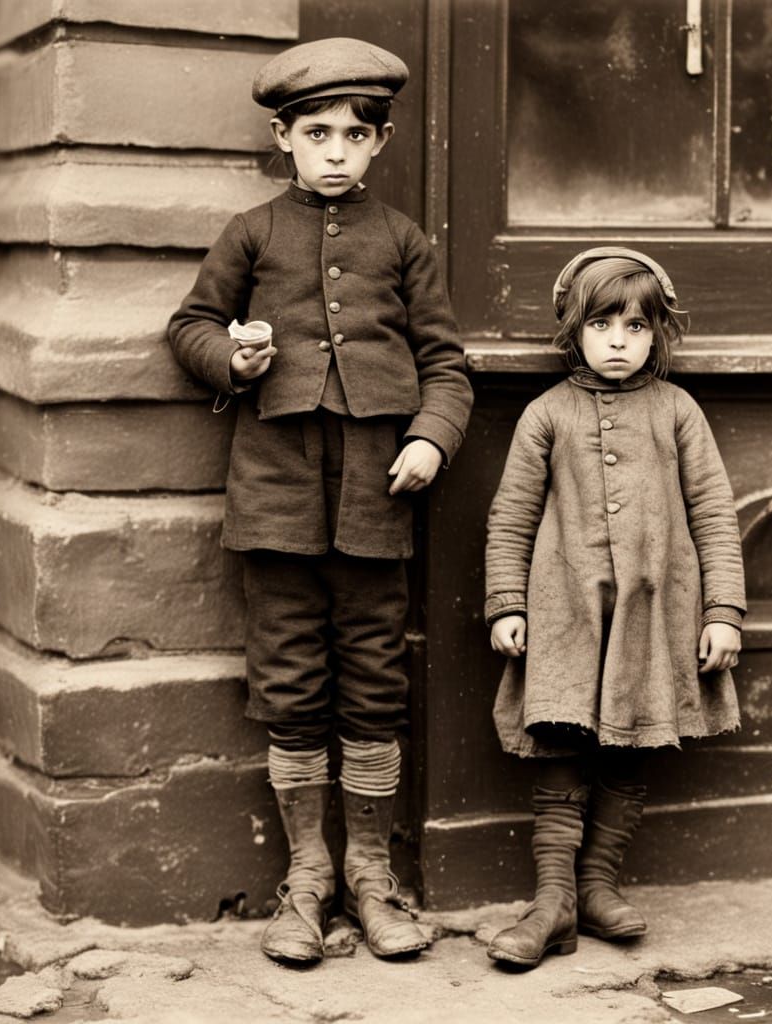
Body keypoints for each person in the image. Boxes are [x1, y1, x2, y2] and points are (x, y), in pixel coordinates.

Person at [168, 37, 473, 966]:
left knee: (375, 680)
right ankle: (307, 880)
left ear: (379, 144)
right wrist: (236, 358)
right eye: (317, 133)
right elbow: (188, 326)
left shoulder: (404, 240)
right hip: (276, 500)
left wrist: (429, 436)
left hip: (377, 503)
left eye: (355, 134)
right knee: (292, 682)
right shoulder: (253, 233)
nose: (336, 150)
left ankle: (371, 876)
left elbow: (446, 365)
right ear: (283, 137)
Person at [483, 247, 745, 969]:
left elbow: (715, 512)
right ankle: (553, 901)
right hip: (564, 612)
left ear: (659, 334)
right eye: (603, 325)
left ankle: (598, 886)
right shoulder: (546, 414)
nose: (620, 341)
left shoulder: (677, 412)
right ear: (573, 331)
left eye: (637, 326)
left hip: (653, 617)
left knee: (631, 743)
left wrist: (723, 610)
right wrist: (507, 602)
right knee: (561, 747)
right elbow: (509, 517)